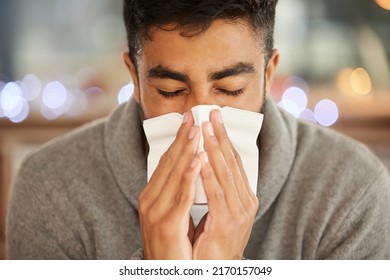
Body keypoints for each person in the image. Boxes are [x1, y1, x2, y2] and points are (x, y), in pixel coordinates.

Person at [6, 0, 390, 260]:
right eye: (171, 91)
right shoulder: (51, 186)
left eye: (230, 89)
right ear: (135, 79)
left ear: (268, 75)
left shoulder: (350, 190)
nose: (200, 116)